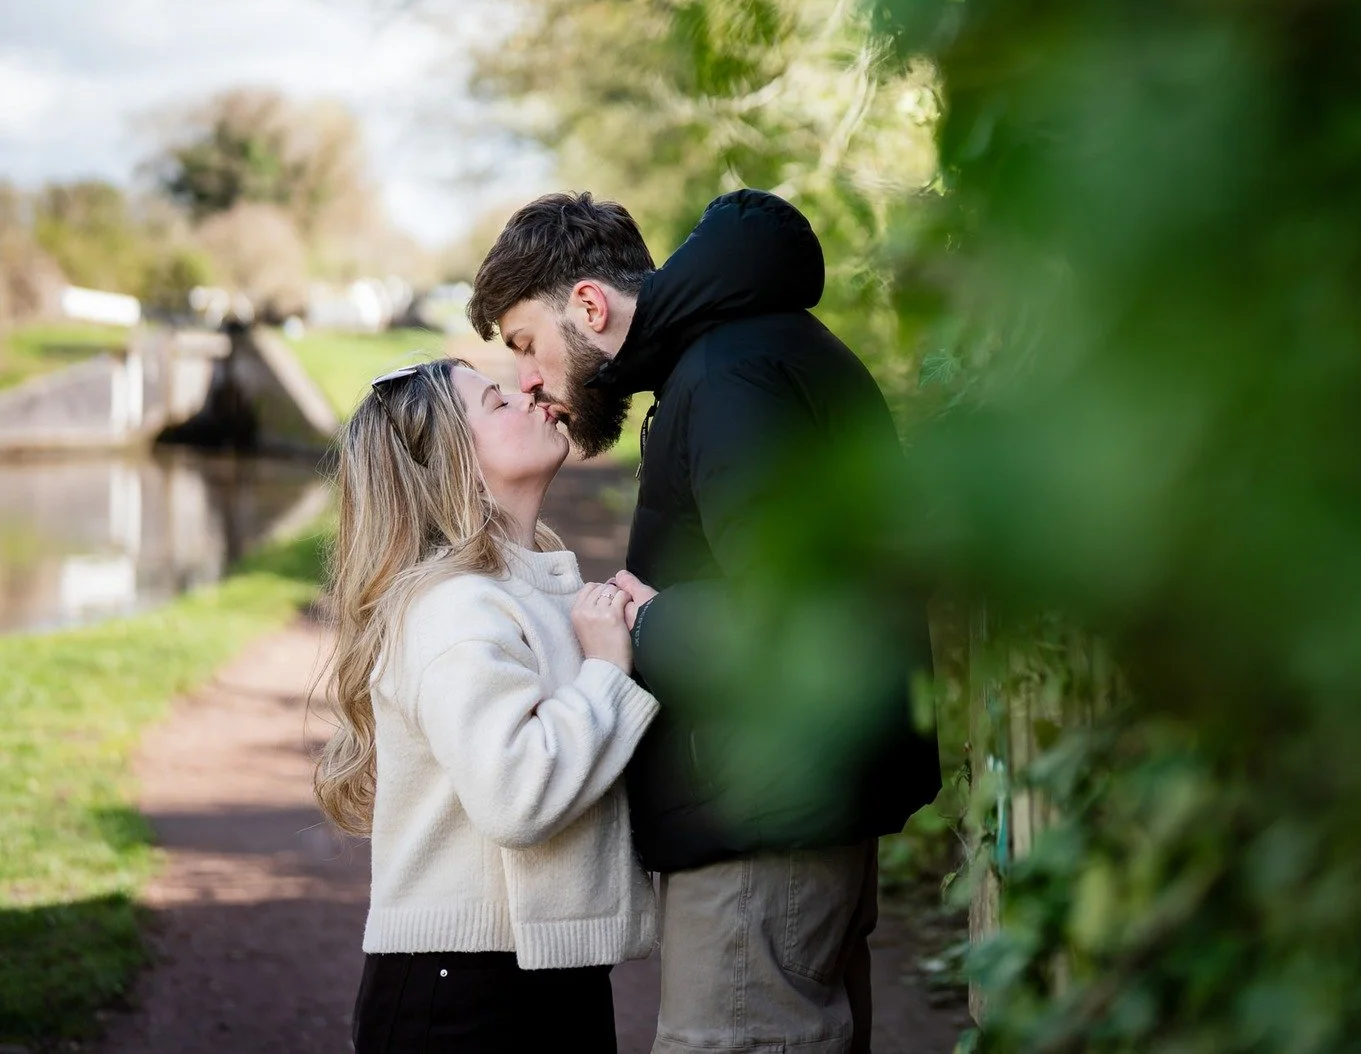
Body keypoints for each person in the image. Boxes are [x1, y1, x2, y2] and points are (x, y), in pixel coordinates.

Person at [467, 189, 940, 1054]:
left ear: (588, 305)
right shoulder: (738, 356)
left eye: (525, 344)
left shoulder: (729, 374)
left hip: (764, 827)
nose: (526, 378)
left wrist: (644, 629)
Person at [313, 358, 661, 1054]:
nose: (530, 390)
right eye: (497, 401)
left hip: (540, 977)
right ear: (453, 464)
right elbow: (516, 796)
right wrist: (606, 674)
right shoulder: (454, 609)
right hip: (464, 996)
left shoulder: (523, 591)